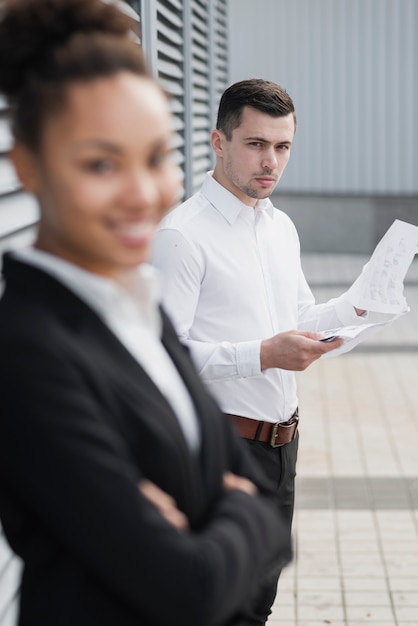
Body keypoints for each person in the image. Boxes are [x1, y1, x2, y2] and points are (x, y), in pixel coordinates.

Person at [0, 4, 293, 625]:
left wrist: (228, 516)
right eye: (101, 163)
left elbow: (269, 529)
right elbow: (189, 585)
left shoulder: (135, 311)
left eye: (156, 156)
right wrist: (233, 506)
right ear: (27, 165)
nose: (145, 192)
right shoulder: (29, 351)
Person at [151, 79, 366, 624]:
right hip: (220, 446)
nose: (270, 162)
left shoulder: (279, 227)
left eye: (282, 146)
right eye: (255, 144)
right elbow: (162, 359)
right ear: (218, 142)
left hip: (281, 448)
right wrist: (262, 355)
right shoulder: (182, 236)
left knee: (259, 603)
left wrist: (358, 309)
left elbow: (296, 324)